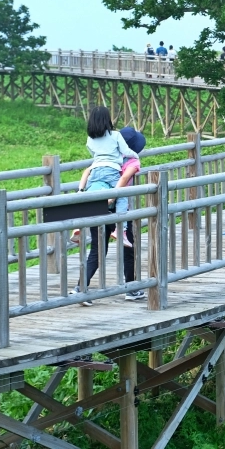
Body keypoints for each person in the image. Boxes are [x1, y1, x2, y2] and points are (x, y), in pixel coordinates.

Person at [73, 108, 142, 304]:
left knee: (97, 250)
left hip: (97, 196)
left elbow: (91, 164)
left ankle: (81, 288)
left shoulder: (92, 143)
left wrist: (81, 190)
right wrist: (113, 198)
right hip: (114, 204)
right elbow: (123, 180)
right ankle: (131, 288)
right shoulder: (129, 162)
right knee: (128, 247)